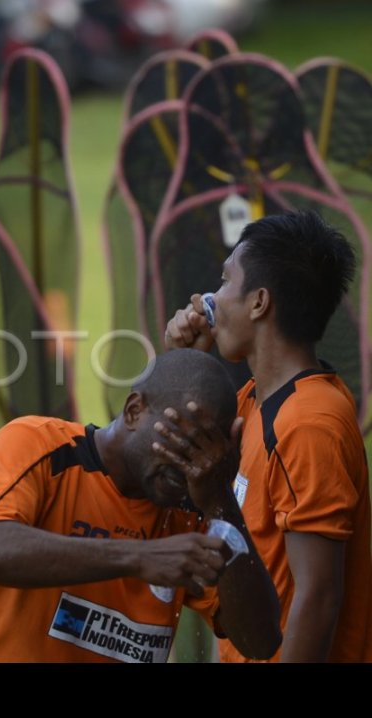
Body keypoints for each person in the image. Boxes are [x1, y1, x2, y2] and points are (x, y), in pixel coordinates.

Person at [0, 349, 282, 662]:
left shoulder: (193, 506)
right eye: (181, 441)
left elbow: (260, 641)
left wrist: (221, 501)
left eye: (207, 452)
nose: (190, 465)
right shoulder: (39, 446)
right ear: (135, 411)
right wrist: (139, 557)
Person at [164, 211, 372, 662]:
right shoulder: (252, 401)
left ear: (259, 303)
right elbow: (175, 470)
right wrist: (189, 363)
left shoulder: (309, 423)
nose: (208, 300)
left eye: (224, 282)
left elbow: (318, 597)